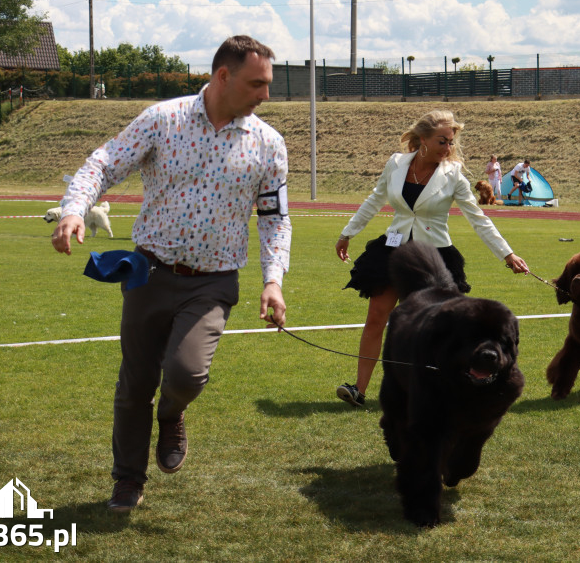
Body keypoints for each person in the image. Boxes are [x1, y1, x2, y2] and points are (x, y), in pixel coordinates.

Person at [51, 36, 291, 512]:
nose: (266, 95)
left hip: (214, 280)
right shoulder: (164, 119)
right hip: (149, 272)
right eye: (257, 83)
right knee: (135, 383)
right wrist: (74, 208)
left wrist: (273, 278)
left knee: (185, 373)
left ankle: (174, 412)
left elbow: (273, 218)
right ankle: (127, 480)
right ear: (223, 76)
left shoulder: (268, 143)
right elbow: (104, 162)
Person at [333, 110, 530, 407]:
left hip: (433, 258)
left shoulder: (454, 176)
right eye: (442, 141)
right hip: (393, 250)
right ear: (422, 139)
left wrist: (508, 253)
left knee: (431, 330)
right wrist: (348, 232)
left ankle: (436, 392)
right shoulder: (396, 164)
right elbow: (375, 199)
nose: (448, 148)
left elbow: (479, 219)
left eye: (450, 142)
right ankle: (359, 391)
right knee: (376, 318)